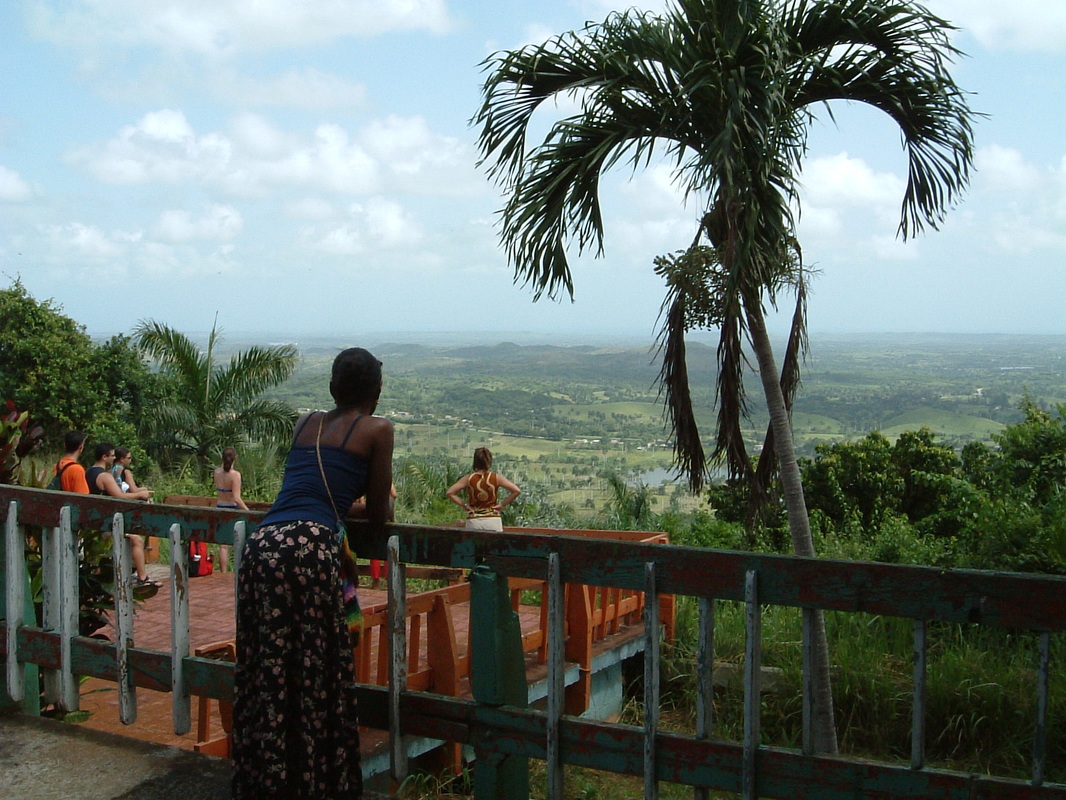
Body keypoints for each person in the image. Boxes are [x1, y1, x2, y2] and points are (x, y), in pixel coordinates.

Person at [232, 347, 394, 800]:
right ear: (376, 394)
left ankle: (266, 780)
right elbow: (379, 516)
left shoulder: (306, 423)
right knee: (317, 669)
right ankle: (318, 783)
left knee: (267, 665)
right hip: (311, 549)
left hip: (263, 545)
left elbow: (303, 487)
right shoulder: (379, 428)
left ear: (331, 389)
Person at [84, 441, 156, 586]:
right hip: (104, 523)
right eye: (112, 455)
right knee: (137, 540)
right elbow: (120, 496)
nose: (114, 458)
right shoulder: (104, 476)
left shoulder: (88, 472)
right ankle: (142, 577)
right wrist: (140, 496)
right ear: (104, 457)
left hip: (93, 519)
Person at [446, 447, 521, 532]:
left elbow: (450, 492)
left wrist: (465, 505)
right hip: (493, 520)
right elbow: (516, 491)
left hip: (474, 520)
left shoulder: (469, 478)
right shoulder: (496, 478)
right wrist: (502, 505)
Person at [214, 446, 249, 573]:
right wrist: (247, 510)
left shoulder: (217, 472)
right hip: (232, 508)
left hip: (220, 506)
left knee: (223, 545)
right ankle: (238, 571)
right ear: (235, 459)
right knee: (238, 542)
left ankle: (223, 572)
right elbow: (236, 498)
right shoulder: (235, 475)